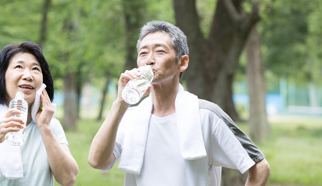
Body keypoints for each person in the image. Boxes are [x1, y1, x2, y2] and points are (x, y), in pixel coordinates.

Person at [88, 21, 270, 186]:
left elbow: (260, 168)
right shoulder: (131, 117)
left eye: (160, 51)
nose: (149, 59)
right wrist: (120, 103)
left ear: (182, 63)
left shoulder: (206, 115)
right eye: (143, 53)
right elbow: (97, 161)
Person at [0, 41, 78, 186]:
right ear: (2, 76)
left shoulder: (51, 125)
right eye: (18, 67)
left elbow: (69, 179)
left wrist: (45, 128)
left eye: (35, 69)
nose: (28, 76)